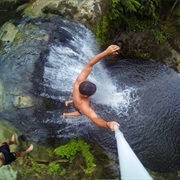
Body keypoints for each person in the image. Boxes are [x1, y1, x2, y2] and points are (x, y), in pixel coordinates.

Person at [63, 45, 121, 131]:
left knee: (75, 99)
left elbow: (90, 64)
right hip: (78, 105)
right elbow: (94, 119)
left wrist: (106, 52)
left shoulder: (78, 83)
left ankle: (70, 102)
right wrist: (107, 124)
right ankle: (66, 114)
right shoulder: (84, 106)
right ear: (86, 96)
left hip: (77, 98)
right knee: (80, 113)